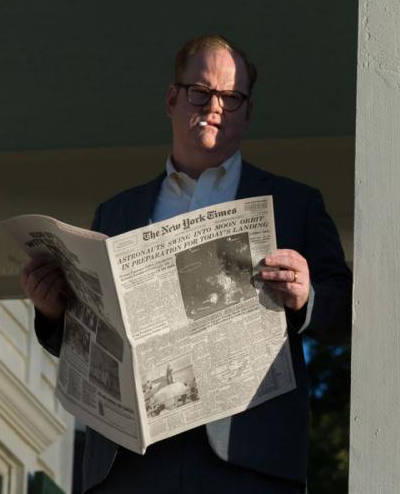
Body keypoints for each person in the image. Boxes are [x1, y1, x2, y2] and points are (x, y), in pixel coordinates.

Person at [20, 34, 352, 493]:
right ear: (172, 100)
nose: (215, 107)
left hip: (246, 461)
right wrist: (52, 312)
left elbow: (346, 316)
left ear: (247, 112)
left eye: (231, 97)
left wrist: (306, 297)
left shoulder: (295, 205)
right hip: (130, 465)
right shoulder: (116, 213)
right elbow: (90, 341)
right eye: (201, 92)